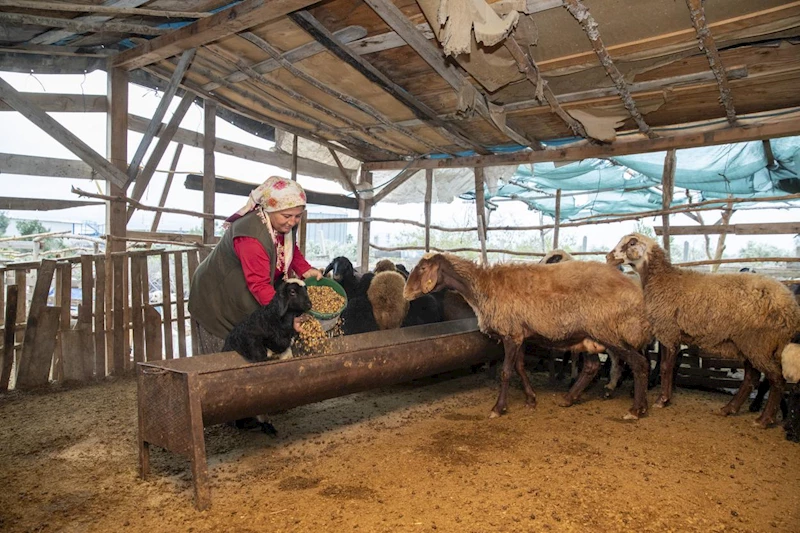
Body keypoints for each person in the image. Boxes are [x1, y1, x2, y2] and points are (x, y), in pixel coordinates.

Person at [189, 176, 323, 355]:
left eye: (298, 216)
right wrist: (286, 318)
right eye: (287, 216)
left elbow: (289, 248)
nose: (292, 222)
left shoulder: (282, 226)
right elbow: (259, 286)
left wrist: (305, 269)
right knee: (223, 359)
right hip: (216, 300)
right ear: (270, 209)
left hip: (244, 296)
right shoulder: (252, 237)